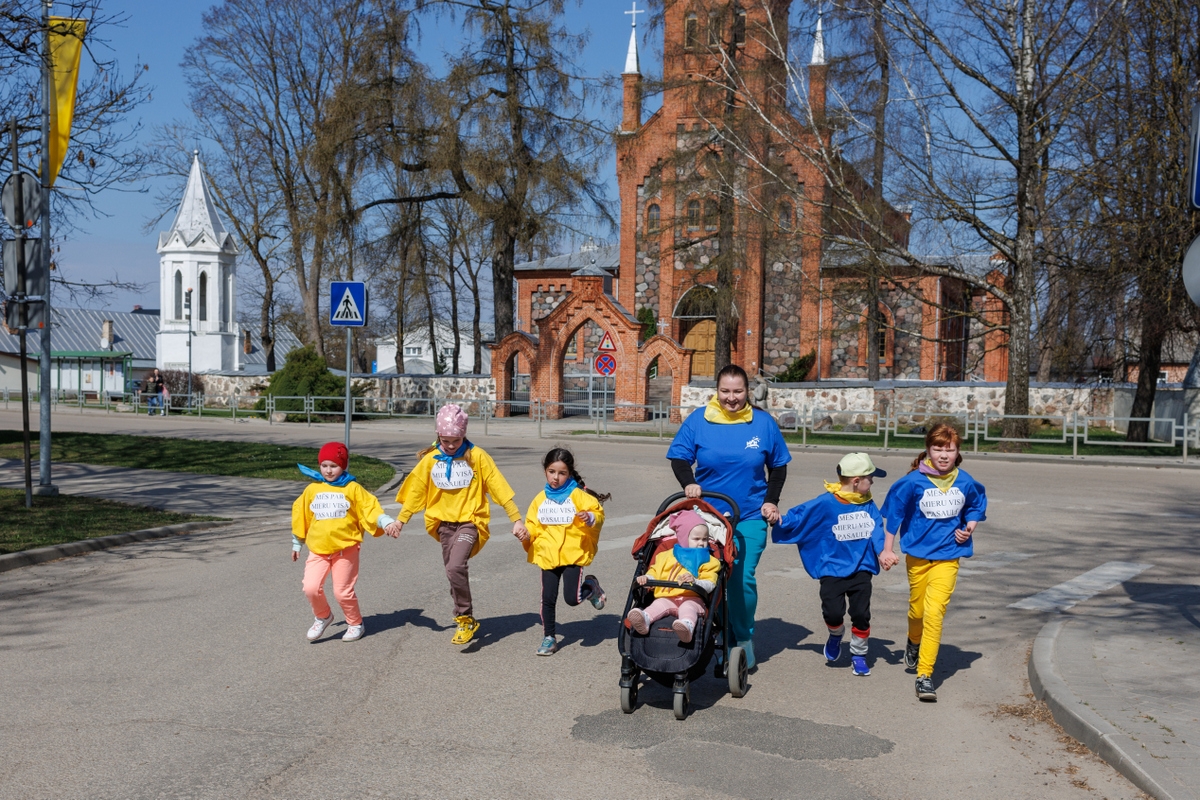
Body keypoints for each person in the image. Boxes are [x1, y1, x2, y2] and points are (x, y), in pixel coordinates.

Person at [666, 363, 790, 668]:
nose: (731, 398)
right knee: (707, 572)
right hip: (708, 516)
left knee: (739, 577)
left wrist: (771, 501)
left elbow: (778, 466)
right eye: (725, 391)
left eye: (738, 391)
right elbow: (679, 457)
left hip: (748, 514)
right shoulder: (699, 420)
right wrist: (689, 483)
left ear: (747, 391)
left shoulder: (762, 423)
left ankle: (742, 636)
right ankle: (714, 624)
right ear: (716, 391)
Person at [386, 404, 529, 645]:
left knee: (455, 567)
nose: (451, 445)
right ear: (437, 435)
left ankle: (463, 617)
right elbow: (416, 492)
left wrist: (516, 518)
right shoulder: (431, 460)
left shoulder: (477, 457)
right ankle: (468, 618)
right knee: (453, 573)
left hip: (470, 522)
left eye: (456, 440)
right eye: (446, 440)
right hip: (443, 525)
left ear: (464, 435)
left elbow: (498, 488)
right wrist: (401, 520)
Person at [880, 423, 987, 702]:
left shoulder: (964, 481)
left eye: (949, 450)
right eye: (938, 448)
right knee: (917, 611)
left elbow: (976, 505)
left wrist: (970, 526)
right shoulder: (912, 482)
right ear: (928, 449)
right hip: (917, 557)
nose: (943, 455)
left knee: (934, 613)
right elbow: (894, 516)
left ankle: (925, 676)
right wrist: (887, 550)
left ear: (957, 452)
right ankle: (913, 642)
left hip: (949, 557)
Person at [772, 453, 896, 676]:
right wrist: (777, 518)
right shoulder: (827, 502)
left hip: (861, 568)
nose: (874, 481)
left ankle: (858, 654)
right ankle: (836, 633)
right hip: (832, 568)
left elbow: (876, 529)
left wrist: (883, 552)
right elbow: (800, 516)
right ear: (856, 481)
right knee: (832, 613)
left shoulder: (867, 503)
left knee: (860, 614)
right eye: (871, 477)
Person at [291, 441, 397, 642]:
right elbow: (300, 515)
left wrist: (386, 521)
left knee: (342, 592)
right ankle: (323, 616)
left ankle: (355, 623)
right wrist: (297, 542)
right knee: (310, 588)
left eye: (334, 466)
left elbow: (370, 508)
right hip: (318, 550)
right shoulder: (312, 490)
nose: (329, 471)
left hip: (346, 550)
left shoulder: (353, 488)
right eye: (324, 465)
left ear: (344, 466)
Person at [517, 447, 609, 656]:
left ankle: (591, 587)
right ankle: (549, 638)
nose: (555, 477)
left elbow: (598, 513)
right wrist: (525, 533)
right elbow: (533, 525)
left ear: (569, 473)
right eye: (551, 472)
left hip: (572, 555)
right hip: (547, 554)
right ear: (545, 472)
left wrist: (591, 518)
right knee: (548, 598)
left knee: (572, 599)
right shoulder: (540, 499)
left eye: (561, 473)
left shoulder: (579, 496)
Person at [626, 510, 720, 643]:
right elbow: (654, 571)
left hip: (693, 599)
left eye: (705, 539)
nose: (701, 543)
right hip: (668, 597)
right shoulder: (665, 556)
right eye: (696, 539)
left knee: (688, 608)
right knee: (658, 604)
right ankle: (645, 618)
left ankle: (686, 626)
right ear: (683, 537)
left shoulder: (709, 560)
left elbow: (710, 583)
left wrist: (696, 581)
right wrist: (647, 579)